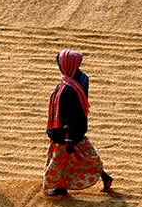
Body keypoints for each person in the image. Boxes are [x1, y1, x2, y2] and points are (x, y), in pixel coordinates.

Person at [44, 49, 113, 197]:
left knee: (58, 161)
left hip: (64, 133)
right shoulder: (82, 79)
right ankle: (104, 177)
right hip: (80, 127)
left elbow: (68, 116)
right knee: (87, 155)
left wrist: (68, 139)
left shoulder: (68, 89)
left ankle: (60, 187)